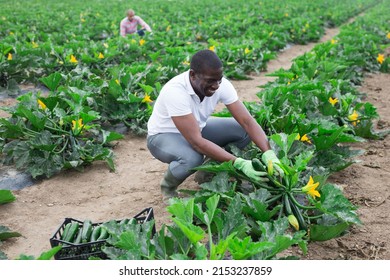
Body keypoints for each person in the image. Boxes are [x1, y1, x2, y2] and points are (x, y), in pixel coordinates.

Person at [147, 49, 283, 200]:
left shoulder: (221, 84)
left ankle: (206, 173)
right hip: (164, 136)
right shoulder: (175, 91)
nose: (216, 85)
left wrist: (269, 153)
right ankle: (168, 188)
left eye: (219, 79)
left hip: (196, 129)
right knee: (192, 158)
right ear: (193, 75)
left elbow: (247, 121)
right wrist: (239, 163)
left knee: (242, 131)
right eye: (210, 80)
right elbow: (196, 142)